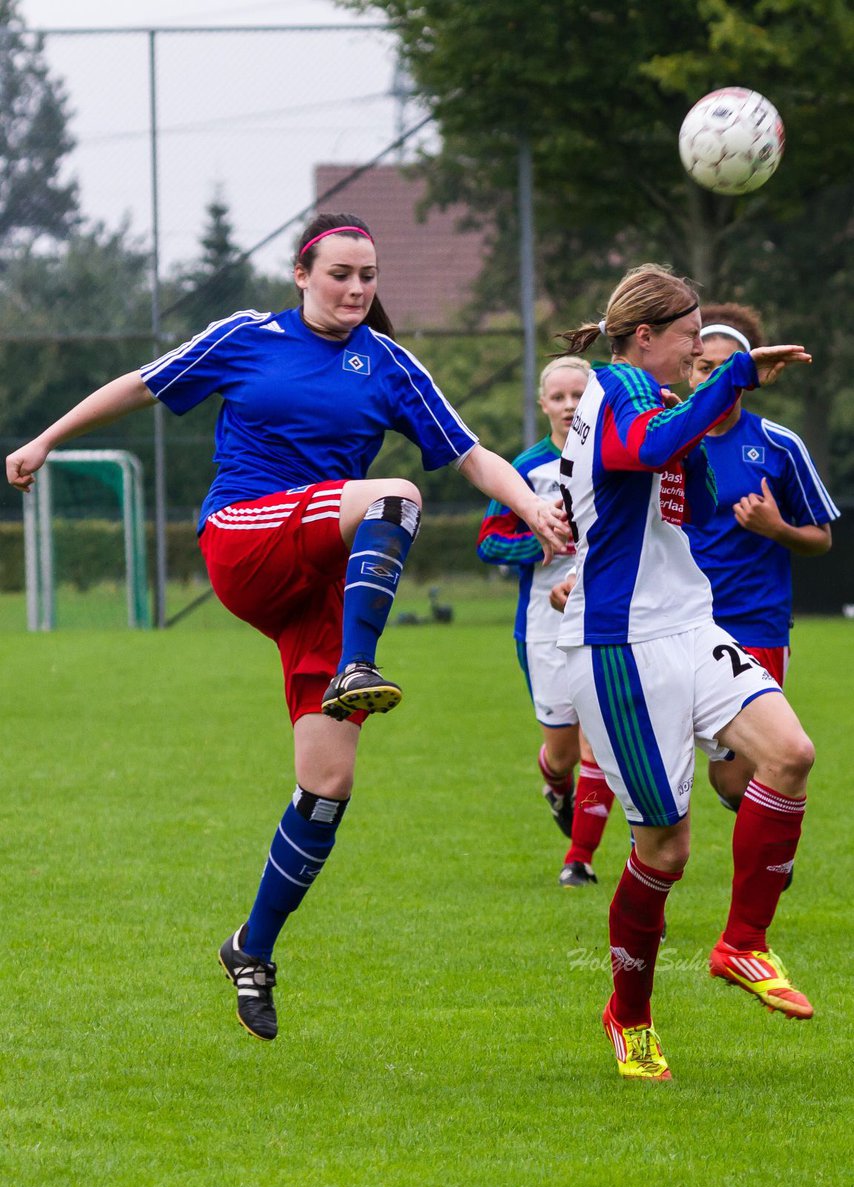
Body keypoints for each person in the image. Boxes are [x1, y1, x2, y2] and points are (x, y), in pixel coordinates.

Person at [6, 211, 568, 1043]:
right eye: (340, 273)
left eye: (368, 276)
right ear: (302, 275)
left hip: (321, 580)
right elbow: (142, 383)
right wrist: (46, 438)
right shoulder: (247, 335)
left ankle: (252, 947)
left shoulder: (389, 364)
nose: (355, 288)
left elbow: (472, 454)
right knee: (396, 496)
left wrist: (536, 510)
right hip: (244, 536)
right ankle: (359, 666)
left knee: (329, 786)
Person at [554, 263, 815, 1081]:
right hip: (621, 646)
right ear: (646, 337)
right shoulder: (616, 388)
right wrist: (728, 380)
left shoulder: (659, 401)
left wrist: (714, 419)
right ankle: (627, 1017)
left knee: (790, 753)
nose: (700, 349)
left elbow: (690, 503)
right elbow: (640, 450)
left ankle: (742, 942)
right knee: (664, 852)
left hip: (691, 626)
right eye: (690, 336)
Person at [684, 302, 839, 817]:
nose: (715, 378)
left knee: (733, 777)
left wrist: (776, 529)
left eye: (730, 368)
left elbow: (821, 539)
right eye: (706, 366)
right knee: (658, 763)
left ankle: (773, 840)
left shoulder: (778, 445)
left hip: (754, 623)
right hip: (673, 624)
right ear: (689, 369)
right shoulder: (662, 441)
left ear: (749, 376)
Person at [476, 356, 615, 887]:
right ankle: (557, 786)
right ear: (543, 405)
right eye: (558, 397)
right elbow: (488, 542)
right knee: (561, 753)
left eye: (579, 395)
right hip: (542, 626)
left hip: (604, 616)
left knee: (597, 742)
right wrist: (535, 542)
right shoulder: (526, 468)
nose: (569, 406)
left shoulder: (612, 459)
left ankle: (578, 860)